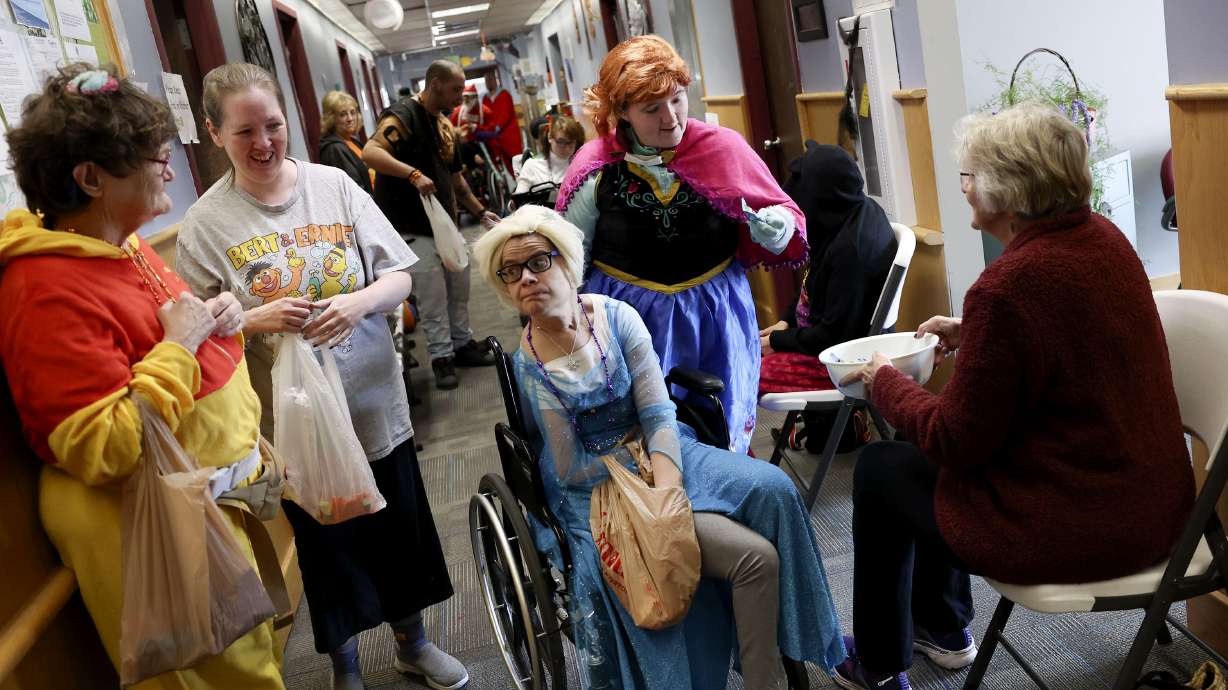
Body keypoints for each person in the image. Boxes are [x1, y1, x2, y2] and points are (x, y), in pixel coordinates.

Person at [832, 102, 1196, 690]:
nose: (965, 187)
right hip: (1154, 506)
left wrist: (885, 381)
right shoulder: (1103, 238)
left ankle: (879, 659)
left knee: (882, 465)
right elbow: (1061, 340)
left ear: (1008, 189)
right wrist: (972, 331)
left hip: (1083, 525)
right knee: (910, 453)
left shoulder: (1008, 287)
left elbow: (956, 440)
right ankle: (943, 628)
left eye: (970, 176)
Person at [176, 63, 466, 690]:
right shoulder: (205, 224)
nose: (263, 143)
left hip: (371, 402)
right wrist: (255, 319)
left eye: (274, 125)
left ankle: (414, 643)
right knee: (327, 548)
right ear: (212, 133)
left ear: (289, 121)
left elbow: (400, 276)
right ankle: (346, 666)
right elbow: (196, 331)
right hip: (297, 423)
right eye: (243, 131)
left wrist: (357, 303)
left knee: (398, 531)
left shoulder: (334, 185)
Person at [473, 205, 845, 690]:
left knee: (774, 486)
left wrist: (666, 487)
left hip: (661, 445)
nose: (526, 277)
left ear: (565, 262)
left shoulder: (616, 317)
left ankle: (803, 638)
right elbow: (567, 465)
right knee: (671, 557)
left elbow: (656, 412)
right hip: (596, 483)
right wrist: (647, 494)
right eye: (511, 272)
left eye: (538, 262)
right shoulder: (530, 362)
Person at [0, 64, 282, 688]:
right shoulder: (43, 288)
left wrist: (219, 322)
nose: (168, 167)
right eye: (151, 157)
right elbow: (104, 446)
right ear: (91, 178)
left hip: (205, 514)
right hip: (154, 536)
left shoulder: (118, 243)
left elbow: (166, 337)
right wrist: (182, 345)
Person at [558, 35, 808, 454]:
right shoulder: (595, 167)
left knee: (721, 423)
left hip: (715, 313)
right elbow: (570, 256)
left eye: (677, 99)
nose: (671, 118)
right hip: (630, 319)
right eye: (651, 109)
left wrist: (776, 227)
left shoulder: (722, 147)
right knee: (644, 431)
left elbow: (785, 216)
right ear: (621, 112)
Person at [364, 59, 500, 390]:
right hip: (410, 224)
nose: (460, 95)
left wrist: (481, 212)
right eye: (455, 89)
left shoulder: (444, 126)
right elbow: (370, 152)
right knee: (433, 296)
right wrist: (411, 174)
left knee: (459, 285)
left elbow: (457, 181)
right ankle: (442, 359)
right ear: (435, 83)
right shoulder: (403, 116)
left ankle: (461, 344)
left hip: (445, 224)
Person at [758, 143, 897, 453]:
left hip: (836, 360)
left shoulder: (852, 253)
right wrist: (785, 321)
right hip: (826, 341)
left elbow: (833, 337)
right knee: (751, 353)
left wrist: (777, 343)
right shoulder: (851, 213)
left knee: (744, 370)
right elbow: (811, 282)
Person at [512, 115, 584, 207]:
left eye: (571, 143)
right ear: (550, 137)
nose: (566, 148)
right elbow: (519, 201)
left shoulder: (581, 164)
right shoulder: (532, 166)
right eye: (561, 142)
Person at [319, 90, 374, 193]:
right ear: (332, 118)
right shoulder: (335, 149)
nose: (350, 119)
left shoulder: (351, 141)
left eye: (353, 112)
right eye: (343, 114)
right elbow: (354, 190)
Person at [482, 70, 523, 173]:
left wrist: (498, 127)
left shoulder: (505, 95)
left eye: (490, 80)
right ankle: (517, 184)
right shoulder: (485, 99)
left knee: (518, 161)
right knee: (507, 165)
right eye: (486, 81)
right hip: (496, 139)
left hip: (509, 135)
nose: (488, 83)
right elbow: (485, 117)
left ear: (496, 81)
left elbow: (507, 114)